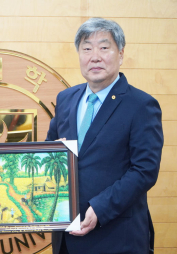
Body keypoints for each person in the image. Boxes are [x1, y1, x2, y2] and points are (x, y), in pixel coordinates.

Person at [46, 18, 163, 254]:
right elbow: (49, 149)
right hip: (66, 239)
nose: (95, 56)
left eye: (104, 47)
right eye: (87, 48)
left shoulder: (141, 105)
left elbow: (144, 171)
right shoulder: (66, 98)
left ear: (120, 54)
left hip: (117, 237)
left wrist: (99, 208)